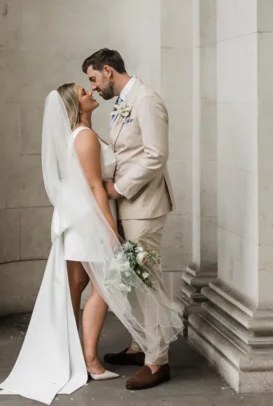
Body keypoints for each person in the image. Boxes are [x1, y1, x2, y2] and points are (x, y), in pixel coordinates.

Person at [0, 76, 181, 404]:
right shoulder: (85, 138)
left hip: (78, 219)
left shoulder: (82, 135)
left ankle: (68, 354)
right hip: (89, 220)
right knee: (101, 289)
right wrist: (111, 233)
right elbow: (97, 188)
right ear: (74, 106)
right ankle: (91, 362)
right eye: (84, 91)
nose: (91, 90)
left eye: (90, 83)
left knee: (75, 287)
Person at [83, 48, 177, 390]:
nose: (93, 88)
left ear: (108, 70)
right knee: (135, 279)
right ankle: (142, 346)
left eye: (93, 78)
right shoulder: (123, 101)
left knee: (147, 280)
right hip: (128, 207)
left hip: (144, 206)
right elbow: (127, 151)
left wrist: (118, 188)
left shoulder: (146, 99)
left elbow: (156, 155)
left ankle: (158, 361)